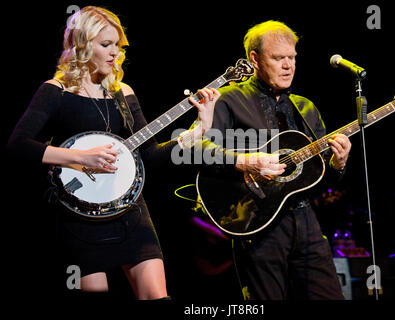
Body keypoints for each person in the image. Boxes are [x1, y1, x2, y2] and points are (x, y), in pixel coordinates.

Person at [6, 6, 219, 299]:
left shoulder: (123, 93)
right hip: (77, 214)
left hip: (130, 212)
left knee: (157, 297)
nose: (115, 53)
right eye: (106, 45)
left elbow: (152, 157)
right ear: (82, 44)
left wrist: (198, 130)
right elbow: (18, 146)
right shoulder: (56, 91)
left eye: (118, 46)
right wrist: (80, 158)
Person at [191, 20, 352, 300]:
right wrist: (245, 161)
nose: (288, 65)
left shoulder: (306, 108)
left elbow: (320, 177)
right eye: (279, 58)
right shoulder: (229, 100)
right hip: (256, 219)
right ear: (255, 59)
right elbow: (198, 150)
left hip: (305, 220)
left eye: (292, 58)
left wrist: (339, 163)